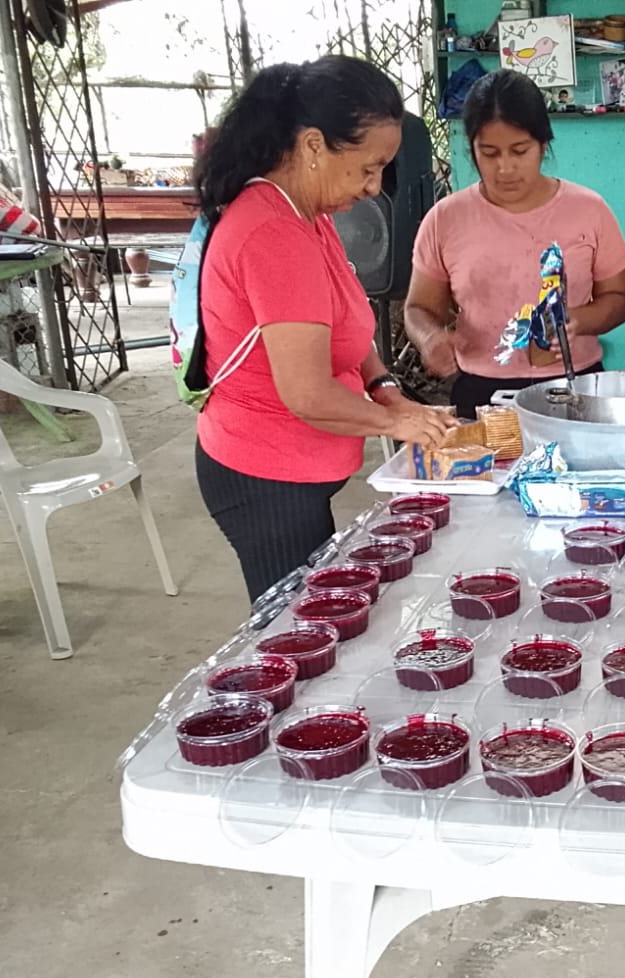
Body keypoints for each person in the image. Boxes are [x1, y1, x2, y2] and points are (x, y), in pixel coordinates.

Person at [193, 57, 459, 601]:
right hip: (265, 473)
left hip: (300, 468)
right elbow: (308, 394)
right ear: (314, 145)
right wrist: (395, 422)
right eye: (368, 168)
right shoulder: (273, 234)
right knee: (294, 623)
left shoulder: (307, 215)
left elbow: (348, 324)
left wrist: (387, 390)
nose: (374, 187)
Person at [406, 70, 625, 418]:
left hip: (574, 387)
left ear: (543, 144)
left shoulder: (589, 211)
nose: (505, 168)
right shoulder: (445, 219)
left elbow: (620, 298)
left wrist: (580, 320)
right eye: (489, 153)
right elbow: (420, 308)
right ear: (472, 150)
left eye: (519, 150)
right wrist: (429, 339)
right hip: (482, 392)